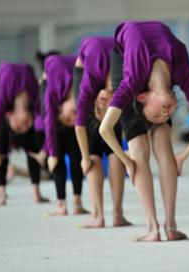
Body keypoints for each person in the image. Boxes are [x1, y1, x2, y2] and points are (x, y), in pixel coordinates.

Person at [99, 21, 189, 241]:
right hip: (123, 51)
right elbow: (104, 128)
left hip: (151, 48)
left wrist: (183, 155)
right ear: (142, 96)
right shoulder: (131, 82)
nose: (165, 115)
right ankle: (152, 227)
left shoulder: (182, 71)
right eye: (158, 116)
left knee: (164, 147)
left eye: (164, 115)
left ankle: (170, 224)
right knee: (138, 149)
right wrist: (126, 161)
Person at [74, 36, 131, 228]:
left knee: (113, 146)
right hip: (89, 57)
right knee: (93, 151)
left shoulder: (122, 86)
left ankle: (117, 213)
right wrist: (84, 157)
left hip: (114, 49)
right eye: (103, 101)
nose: (106, 101)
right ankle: (98, 214)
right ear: (95, 99)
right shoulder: (86, 87)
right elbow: (79, 125)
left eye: (108, 101)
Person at [0, 62, 49, 205]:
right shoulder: (8, 103)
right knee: (1, 142)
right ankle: (1, 193)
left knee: (32, 145)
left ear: (10, 116)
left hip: (10, 73)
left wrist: (44, 150)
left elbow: (50, 127)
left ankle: (36, 192)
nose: (25, 125)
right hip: (0, 78)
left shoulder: (33, 104)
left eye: (20, 126)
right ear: (8, 115)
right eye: (24, 126)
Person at [43, 55, 88, 216]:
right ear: (59, 108)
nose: (74, 118)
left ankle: (77, 202)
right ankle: (61, 204)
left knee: (77, 157)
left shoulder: (81, 88)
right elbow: (48, 123)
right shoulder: (51, 95)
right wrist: (52, 154)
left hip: (66, 65)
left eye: (73, 115)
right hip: (50, 68)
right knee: (58, 158)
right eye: (71, 117)